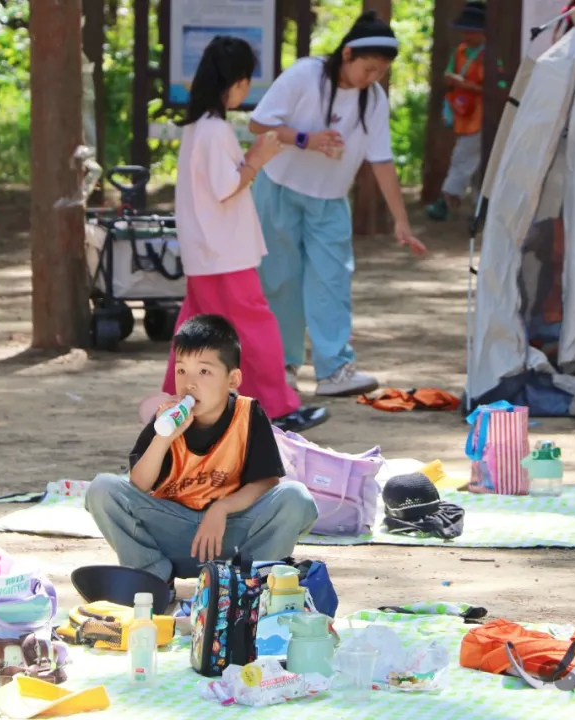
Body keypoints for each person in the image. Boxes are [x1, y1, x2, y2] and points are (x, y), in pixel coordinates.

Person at [249, 12, 427, 398]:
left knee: (332, 280)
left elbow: (381, 159)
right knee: (281, 280)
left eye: (380, 72)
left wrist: (401, 221)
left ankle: (335, 370)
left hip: (330, 200)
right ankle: (283, 367)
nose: (372, 78)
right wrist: (304, 139)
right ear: (347, 53)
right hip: (278, 188)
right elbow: (259, 124)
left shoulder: (374, 98)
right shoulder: (303, 75)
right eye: (368, 69)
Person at [160, 36, 327, 434]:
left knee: (195, 332)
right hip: (224, 253)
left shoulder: (198, 128)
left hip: (208, 252)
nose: (248, 88)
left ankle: (176, 404)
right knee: (254, 328)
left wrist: (251, 158)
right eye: (246, 80)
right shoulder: (214, 129)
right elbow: (226, 186)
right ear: (232, 82)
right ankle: (279, 406)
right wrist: (257, 159)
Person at [86, 315, 318, 594]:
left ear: (233, 379)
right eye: (181, 371)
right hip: (173, 532)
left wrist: (221, 508)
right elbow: (139, 484)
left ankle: (245, 583)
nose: (189, 383)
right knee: (102, 488)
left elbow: (266, 482)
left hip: (228, 536)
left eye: (204, 372)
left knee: (296, 498)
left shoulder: (248, 414)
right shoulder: (167, 418)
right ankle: (153, 578)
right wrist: (163, 439)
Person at [427, 1, 487, 222]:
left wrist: (464, 84)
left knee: (462, 158)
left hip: (482, 116)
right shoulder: (460, 51)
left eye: (472, 30)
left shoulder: (489, 54)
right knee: (474, 164)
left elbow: (494, 88)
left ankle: (446, 201)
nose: (467, 35)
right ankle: (480, 210)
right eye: (465, 30)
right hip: (463, 114)